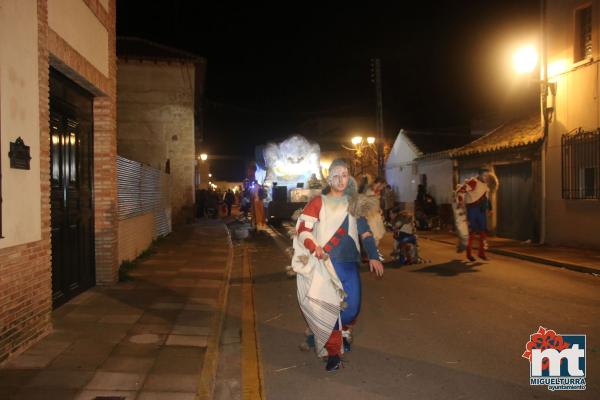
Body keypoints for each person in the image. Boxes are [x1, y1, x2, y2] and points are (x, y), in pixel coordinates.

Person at [291, 159, 384, 372]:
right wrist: (315, 247)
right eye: (337, 175)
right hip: (325, 264)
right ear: (329, 178)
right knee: (329, 307)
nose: (341, 179)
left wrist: (374, 256)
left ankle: (337, 332)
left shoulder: (353, 203)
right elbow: (303, 229)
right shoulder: (318, 202)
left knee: (352, 309)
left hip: (349, 263)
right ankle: (334, 352)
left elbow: (366, 232)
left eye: (345, 174)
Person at [457, 167, 492, 261]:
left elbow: (486, 198)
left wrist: (490, 209)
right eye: (484, 175)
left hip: (481, 210)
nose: (486, 177)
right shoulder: (473, 182)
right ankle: (469, 254)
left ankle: (481, 253)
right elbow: (460, 191)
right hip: (472, 209)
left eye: (487, 176)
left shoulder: (485, 185)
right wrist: (460, 202)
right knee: (471, 232)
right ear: (480, 175)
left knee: (483, 232)